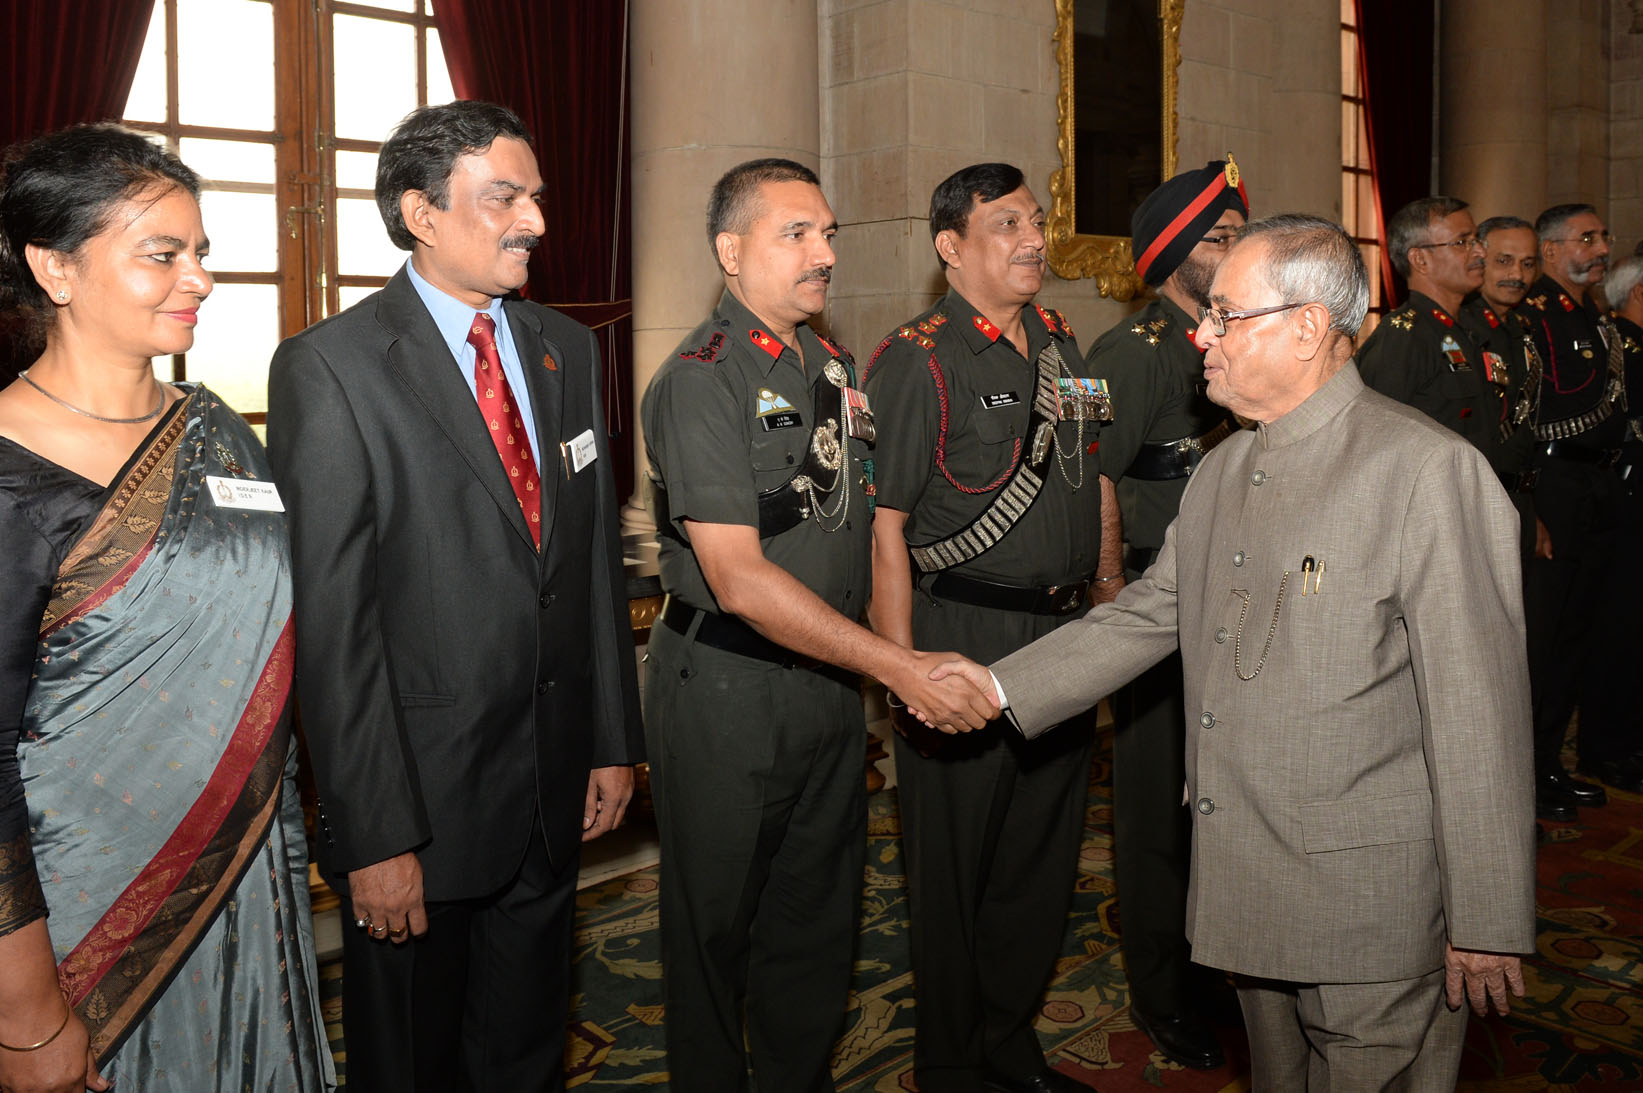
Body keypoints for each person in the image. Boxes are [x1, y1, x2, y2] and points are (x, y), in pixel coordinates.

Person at [934, 214, 1536, 1089]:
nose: (1202, 338)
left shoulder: (1423, 471)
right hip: (1249, 881)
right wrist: (992, 685)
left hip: (1369, 902)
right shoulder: (1222, 469)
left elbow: (1479, 711)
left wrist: (1485, 914)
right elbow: (1148, 613)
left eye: (1225, 316)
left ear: (1305, 326)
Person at [267, 101, 643, 1092]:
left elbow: (589, 563)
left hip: (553, 780)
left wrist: (610, 735)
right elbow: (334, 630)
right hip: (420, 808)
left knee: (524, 1047)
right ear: (419, 213)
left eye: (536, 197)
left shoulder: (567, 350)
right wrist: (375, 832)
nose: (536, 222)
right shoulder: (333, 368)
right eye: (502, 197)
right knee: (411, 1060)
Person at [640, 158, 994, 1093]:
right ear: (730, 251)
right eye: (795, 234)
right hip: (727, 688)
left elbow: (868, 528)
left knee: (816, 920)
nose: (823, 254)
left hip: (827, 687)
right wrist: (896, 668)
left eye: (828, 233)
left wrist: (893, 663)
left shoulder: (830, 365)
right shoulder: (699, 381)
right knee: (712, 933)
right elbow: (740, 579)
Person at [0, 124, 332, 1092]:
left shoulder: (216, 432)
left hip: (246, 874)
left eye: (202, 254)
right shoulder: (11, 473)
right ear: (54, 268)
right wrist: (26, 1019)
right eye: (162, 254)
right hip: (76, 919)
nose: (198, 279)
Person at [860, 162, 1116, 1093]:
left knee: (1037, 865)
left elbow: (1090, 476)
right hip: (957, 637)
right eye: (1005, 225)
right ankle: (953, 1065)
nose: (1033, 239)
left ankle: (1011, 1043)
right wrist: (900, 672)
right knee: (954, 875)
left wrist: (1106, 594)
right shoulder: (915, 358)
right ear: (950, 247)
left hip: (1060, 645)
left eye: (1036, 220)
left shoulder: (1059, 339)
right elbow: (884, 528)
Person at [1081, 157, 1249, 1073]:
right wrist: (1112, 601)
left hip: (1229, 600)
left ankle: (1212, 963)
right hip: (1153, 601)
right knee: (1155, 810)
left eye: (1233, 236)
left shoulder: (1233, 339)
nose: (1229, 250)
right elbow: (1095, 478)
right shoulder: (1134, 352)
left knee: (1218, 801)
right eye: (1215, 238)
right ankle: (1159, 988)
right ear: (1171, 252)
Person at [1519, 205, 1641, 797]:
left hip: (1595, 482)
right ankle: (1529, 767)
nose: (1599, 248)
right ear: (1548, 251)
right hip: (1556, 480)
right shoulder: (1536, 312)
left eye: (1601, 237)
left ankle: (1551, 761)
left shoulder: (1590, 312)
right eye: (1585, 238)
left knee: (1579, 633)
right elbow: (1537, 407)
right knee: (1545, 636)